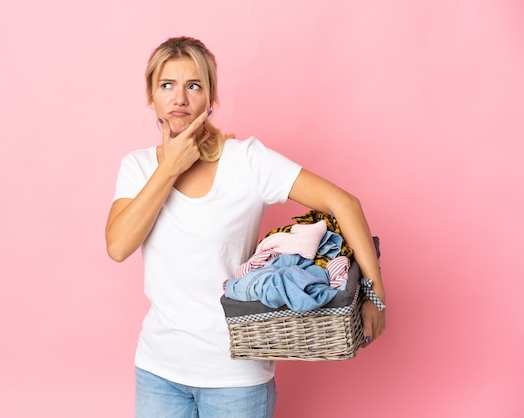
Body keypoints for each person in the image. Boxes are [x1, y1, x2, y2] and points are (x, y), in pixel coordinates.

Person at [105, 36, 386, 418]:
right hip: (158, 372)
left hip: (235, 377)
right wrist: (169, 167)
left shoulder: (247, 161)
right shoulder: (137, 168)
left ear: (210, 98)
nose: (180, 98)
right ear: (151, 97)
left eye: (194, 86)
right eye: (166, 85)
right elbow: (118, 246)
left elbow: (344, 203)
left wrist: (374, 294)